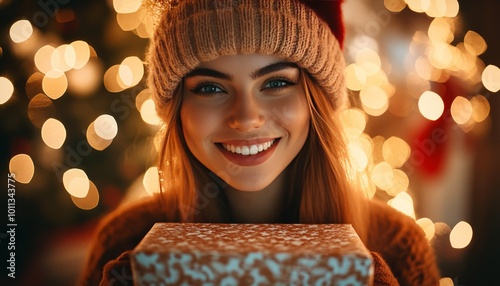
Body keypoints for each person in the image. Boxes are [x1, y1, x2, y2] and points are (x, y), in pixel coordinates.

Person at [79, 0, 441, 285]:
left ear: (316, 98)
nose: (247, 117)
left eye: (275, 82)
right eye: (210, 87)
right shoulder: (124, 241)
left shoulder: (398, 245)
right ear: (178, 110)